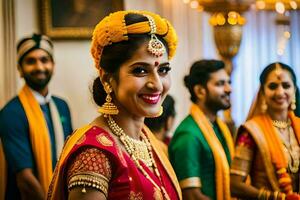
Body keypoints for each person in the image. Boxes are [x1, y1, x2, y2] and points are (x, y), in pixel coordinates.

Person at [47, 10, 181, 200]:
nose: (157, 84)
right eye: (140, 70)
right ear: (107, 79)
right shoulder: (94, 154)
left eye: (163, 70)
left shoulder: (148, 141)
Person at [0, 34, 73, 200]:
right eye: (30, 61)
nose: (39, 67)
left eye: (44, 60)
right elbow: (25, 180)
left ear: (53, 65)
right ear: (19, 69)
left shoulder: (62, 106)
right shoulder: (11, 113)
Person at [230, 62, 300, 199]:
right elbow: (235, 185)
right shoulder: (251, 131)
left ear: (294, 90)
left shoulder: (298, 125)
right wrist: (278, 198)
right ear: (262, 92)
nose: (280, 92)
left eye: (286, 86)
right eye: (273, 86)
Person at [169, 60, 234, 200]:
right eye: (220, 84)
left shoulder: (218, 127)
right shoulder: (188, 135)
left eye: (229, 82)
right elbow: (191, 196)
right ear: (200, 91)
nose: (229, 89)